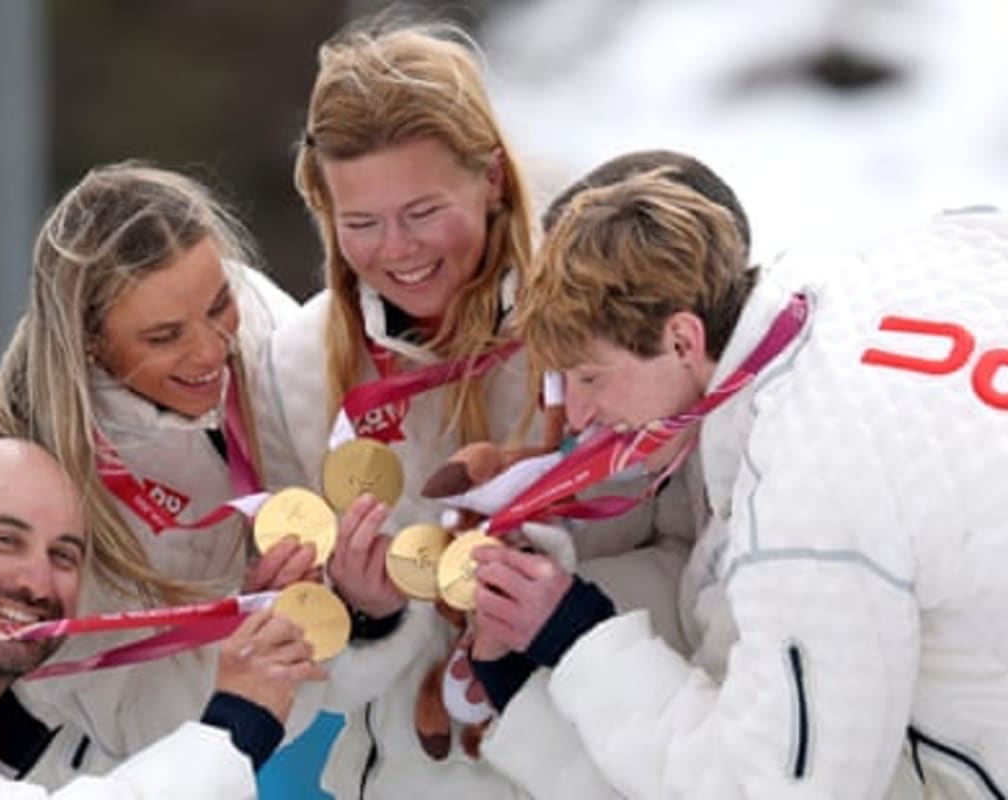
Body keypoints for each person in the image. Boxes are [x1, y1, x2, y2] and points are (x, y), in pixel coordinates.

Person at [255, 21, 696, 799]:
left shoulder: (602, 323)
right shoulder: (299, 361)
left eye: (423, 211)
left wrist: (557, 604)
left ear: (491, 176)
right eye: (361, 223)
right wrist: (365, 616)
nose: (397, 250)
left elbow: (696, 561)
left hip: (593, 771)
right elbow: (295, 659)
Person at [475, 163, 1008, 797]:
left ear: (681, 338)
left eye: (590, 376)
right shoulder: (936, 254)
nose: (583, 415)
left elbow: (778, 789)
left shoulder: (808, 496)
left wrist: (573, 638)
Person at [0, 162, 320, 786]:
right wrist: (246, 637)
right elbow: (138, 722)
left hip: (217, 750)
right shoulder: (25, 469)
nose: (211, 349)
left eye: (219, 305)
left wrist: (316, 596)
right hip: (62, 772)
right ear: (91, 342)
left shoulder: (266, 322)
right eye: (164, 337)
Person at [0, 436, 325, 798]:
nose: (35, 582)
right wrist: (235, 726)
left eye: (63, 555)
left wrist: (258, 645)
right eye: (3, 540)